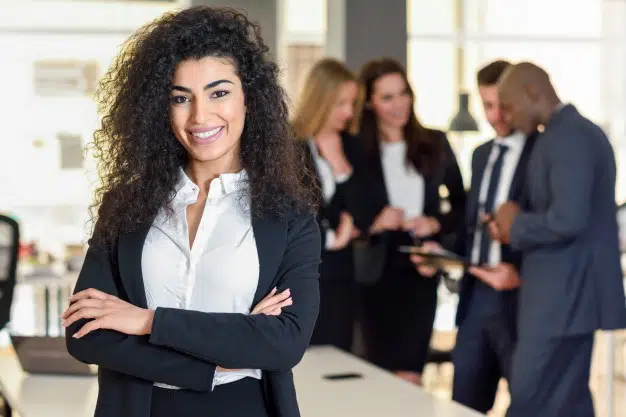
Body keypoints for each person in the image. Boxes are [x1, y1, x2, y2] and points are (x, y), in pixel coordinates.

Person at [61, 7, 321, 417]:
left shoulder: (289, 218)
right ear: (159, 109)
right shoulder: (126, 206)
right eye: (181, 98)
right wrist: (217, 358)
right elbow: (85, 334)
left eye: (219, 93)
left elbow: (285, 342)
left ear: (249, 99)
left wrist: (147, 321)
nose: (200, 116)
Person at [491, 61, 626, 417]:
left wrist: (515, 224)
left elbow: (569, 219)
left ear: (533, 93)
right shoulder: (561, 134)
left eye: (508, 105)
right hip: (565, 296)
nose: (503, 117)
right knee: (568, 401)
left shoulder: (570, 137)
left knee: (529, 399)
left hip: (562, 298)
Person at [412, 60, 536, 413]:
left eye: (502, 105)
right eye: (487, 105)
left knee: (527, 403)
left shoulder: (541, 153)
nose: (495, 115)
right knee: (464, 405)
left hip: (519, 299)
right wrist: (440, 251)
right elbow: (471, 227)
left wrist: (522, 273)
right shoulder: (481, 156)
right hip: (475, 299)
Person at [356, 58, 466, 385]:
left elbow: (462, 205)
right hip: (373, 273)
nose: (398, 104)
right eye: (387, 97)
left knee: (410, 374)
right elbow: (341, 209)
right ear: (370, 103)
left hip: (420, 268)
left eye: (403, 93)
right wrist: (375, 221)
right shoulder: (358, 151)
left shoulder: (434, 142)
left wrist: (435, 226)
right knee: (376, 376)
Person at [291, 58, 381, 352]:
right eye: (340, 103)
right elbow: (285, 213)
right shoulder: (286, 145)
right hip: (296, 279)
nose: (347, 112)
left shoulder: (351, 146)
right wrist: (332, 238)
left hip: (339, 279)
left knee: (337, 361)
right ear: (320, 99)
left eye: (352, 103)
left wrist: (341, 167)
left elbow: (367, 214)